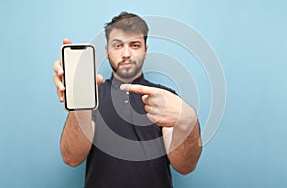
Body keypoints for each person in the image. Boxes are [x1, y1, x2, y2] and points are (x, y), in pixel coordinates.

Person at [53, 12, 202, 188]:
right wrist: (79, 99)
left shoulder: (165, 98)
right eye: (118, 45)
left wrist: (188, 121)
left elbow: (185, 166)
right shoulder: (91, 97)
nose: (126, 53)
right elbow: (71, 158)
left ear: (146, 50)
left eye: (135, 45)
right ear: (107, 51)